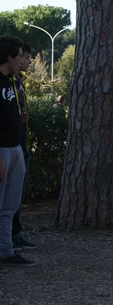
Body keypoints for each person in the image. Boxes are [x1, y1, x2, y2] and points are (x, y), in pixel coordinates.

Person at [0, 36, 36, 270]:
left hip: (15, 147)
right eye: (21, 55)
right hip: (1, 149)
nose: (24, 59)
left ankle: (5, 250)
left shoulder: (12, 81)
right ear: (9, 57)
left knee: (9, 206)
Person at [11, 42, 36, 250]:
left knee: (18, 193)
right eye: (25, 56)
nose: (27, 61)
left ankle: (14, 232)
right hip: (10, 144)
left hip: (21, 143)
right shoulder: (7, 82)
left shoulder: (19, 81)